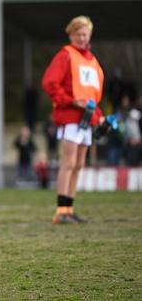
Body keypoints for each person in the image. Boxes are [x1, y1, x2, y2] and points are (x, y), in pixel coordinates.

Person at [42, 15, 105, 224]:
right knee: (68, 163)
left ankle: (69, 208)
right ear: (71, 35)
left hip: (87, 118)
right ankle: (61, 211)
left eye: (85, 34)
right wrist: (70, 101)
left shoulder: (93, 62)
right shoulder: (65, 55)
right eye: (78, 34)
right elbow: (50, 83)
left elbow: (93, 96)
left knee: (78, 164)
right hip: (70, 116)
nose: (82, 37)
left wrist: (99, 116)